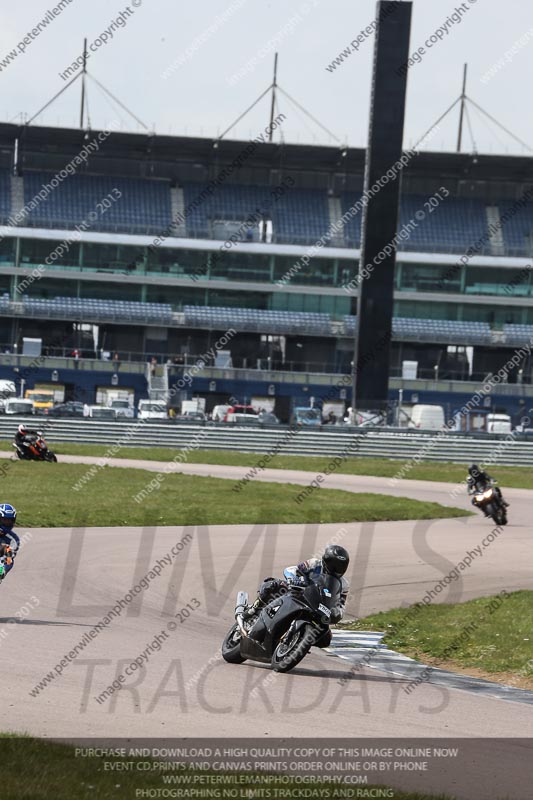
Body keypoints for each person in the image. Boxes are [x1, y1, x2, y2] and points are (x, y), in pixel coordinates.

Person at [247, 545, 350, 643]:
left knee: (326, 638)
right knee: (273, 585)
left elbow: (341, 604)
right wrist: (295, 579)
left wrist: (337, 613)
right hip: (298, 593)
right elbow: (292, 570)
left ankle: (299, 641)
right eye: (334, 566)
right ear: (326, 561)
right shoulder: (314, 564)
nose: (337, 569)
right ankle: (253, 610)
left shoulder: (344, 584)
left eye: (340, 567)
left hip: (316, 606)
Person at [0, 503, 19, 584]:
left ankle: (2, 571)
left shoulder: (13, 539)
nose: (7, 523)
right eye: (4, 520)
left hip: (1, 560)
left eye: (9, 520)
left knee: (7, 551)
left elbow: (10, 557)